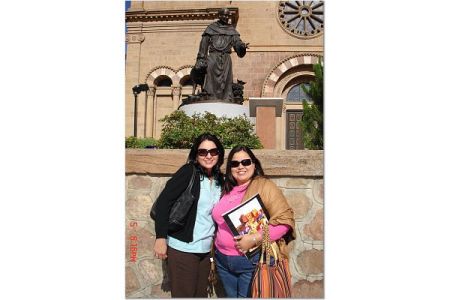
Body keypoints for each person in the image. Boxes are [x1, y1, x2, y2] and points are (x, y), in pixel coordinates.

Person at [211, 146, 296, 298]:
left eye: (245, 162)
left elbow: (284, 222)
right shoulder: (226, 188)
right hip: (223, 261)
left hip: (251, 262)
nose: (240, 167)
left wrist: (253, 238)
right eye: (235, 163)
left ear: (254, 164)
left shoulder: (265, 186)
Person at [153, 133, 225, 297]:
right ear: (196, 154)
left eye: (213, 151)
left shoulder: (219, 179)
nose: (208, 156)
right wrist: (160, 238)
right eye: (203, 152)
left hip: (205, 251)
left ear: (219, 154)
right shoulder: (189, 172)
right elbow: (164, 202)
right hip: (183, 249)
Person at [196, 7, 249, 101]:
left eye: (227, 15)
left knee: (226, 79)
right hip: (213, 57)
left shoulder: (231, 30)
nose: (226, 17)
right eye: (224, 15)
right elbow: (204, 44)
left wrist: (242, 46)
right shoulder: (211, 28)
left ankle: (226, 99)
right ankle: (209, 96)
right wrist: (201, 58)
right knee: (210, 76)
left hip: (226, 58)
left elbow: (237, 42)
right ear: (219, 15)